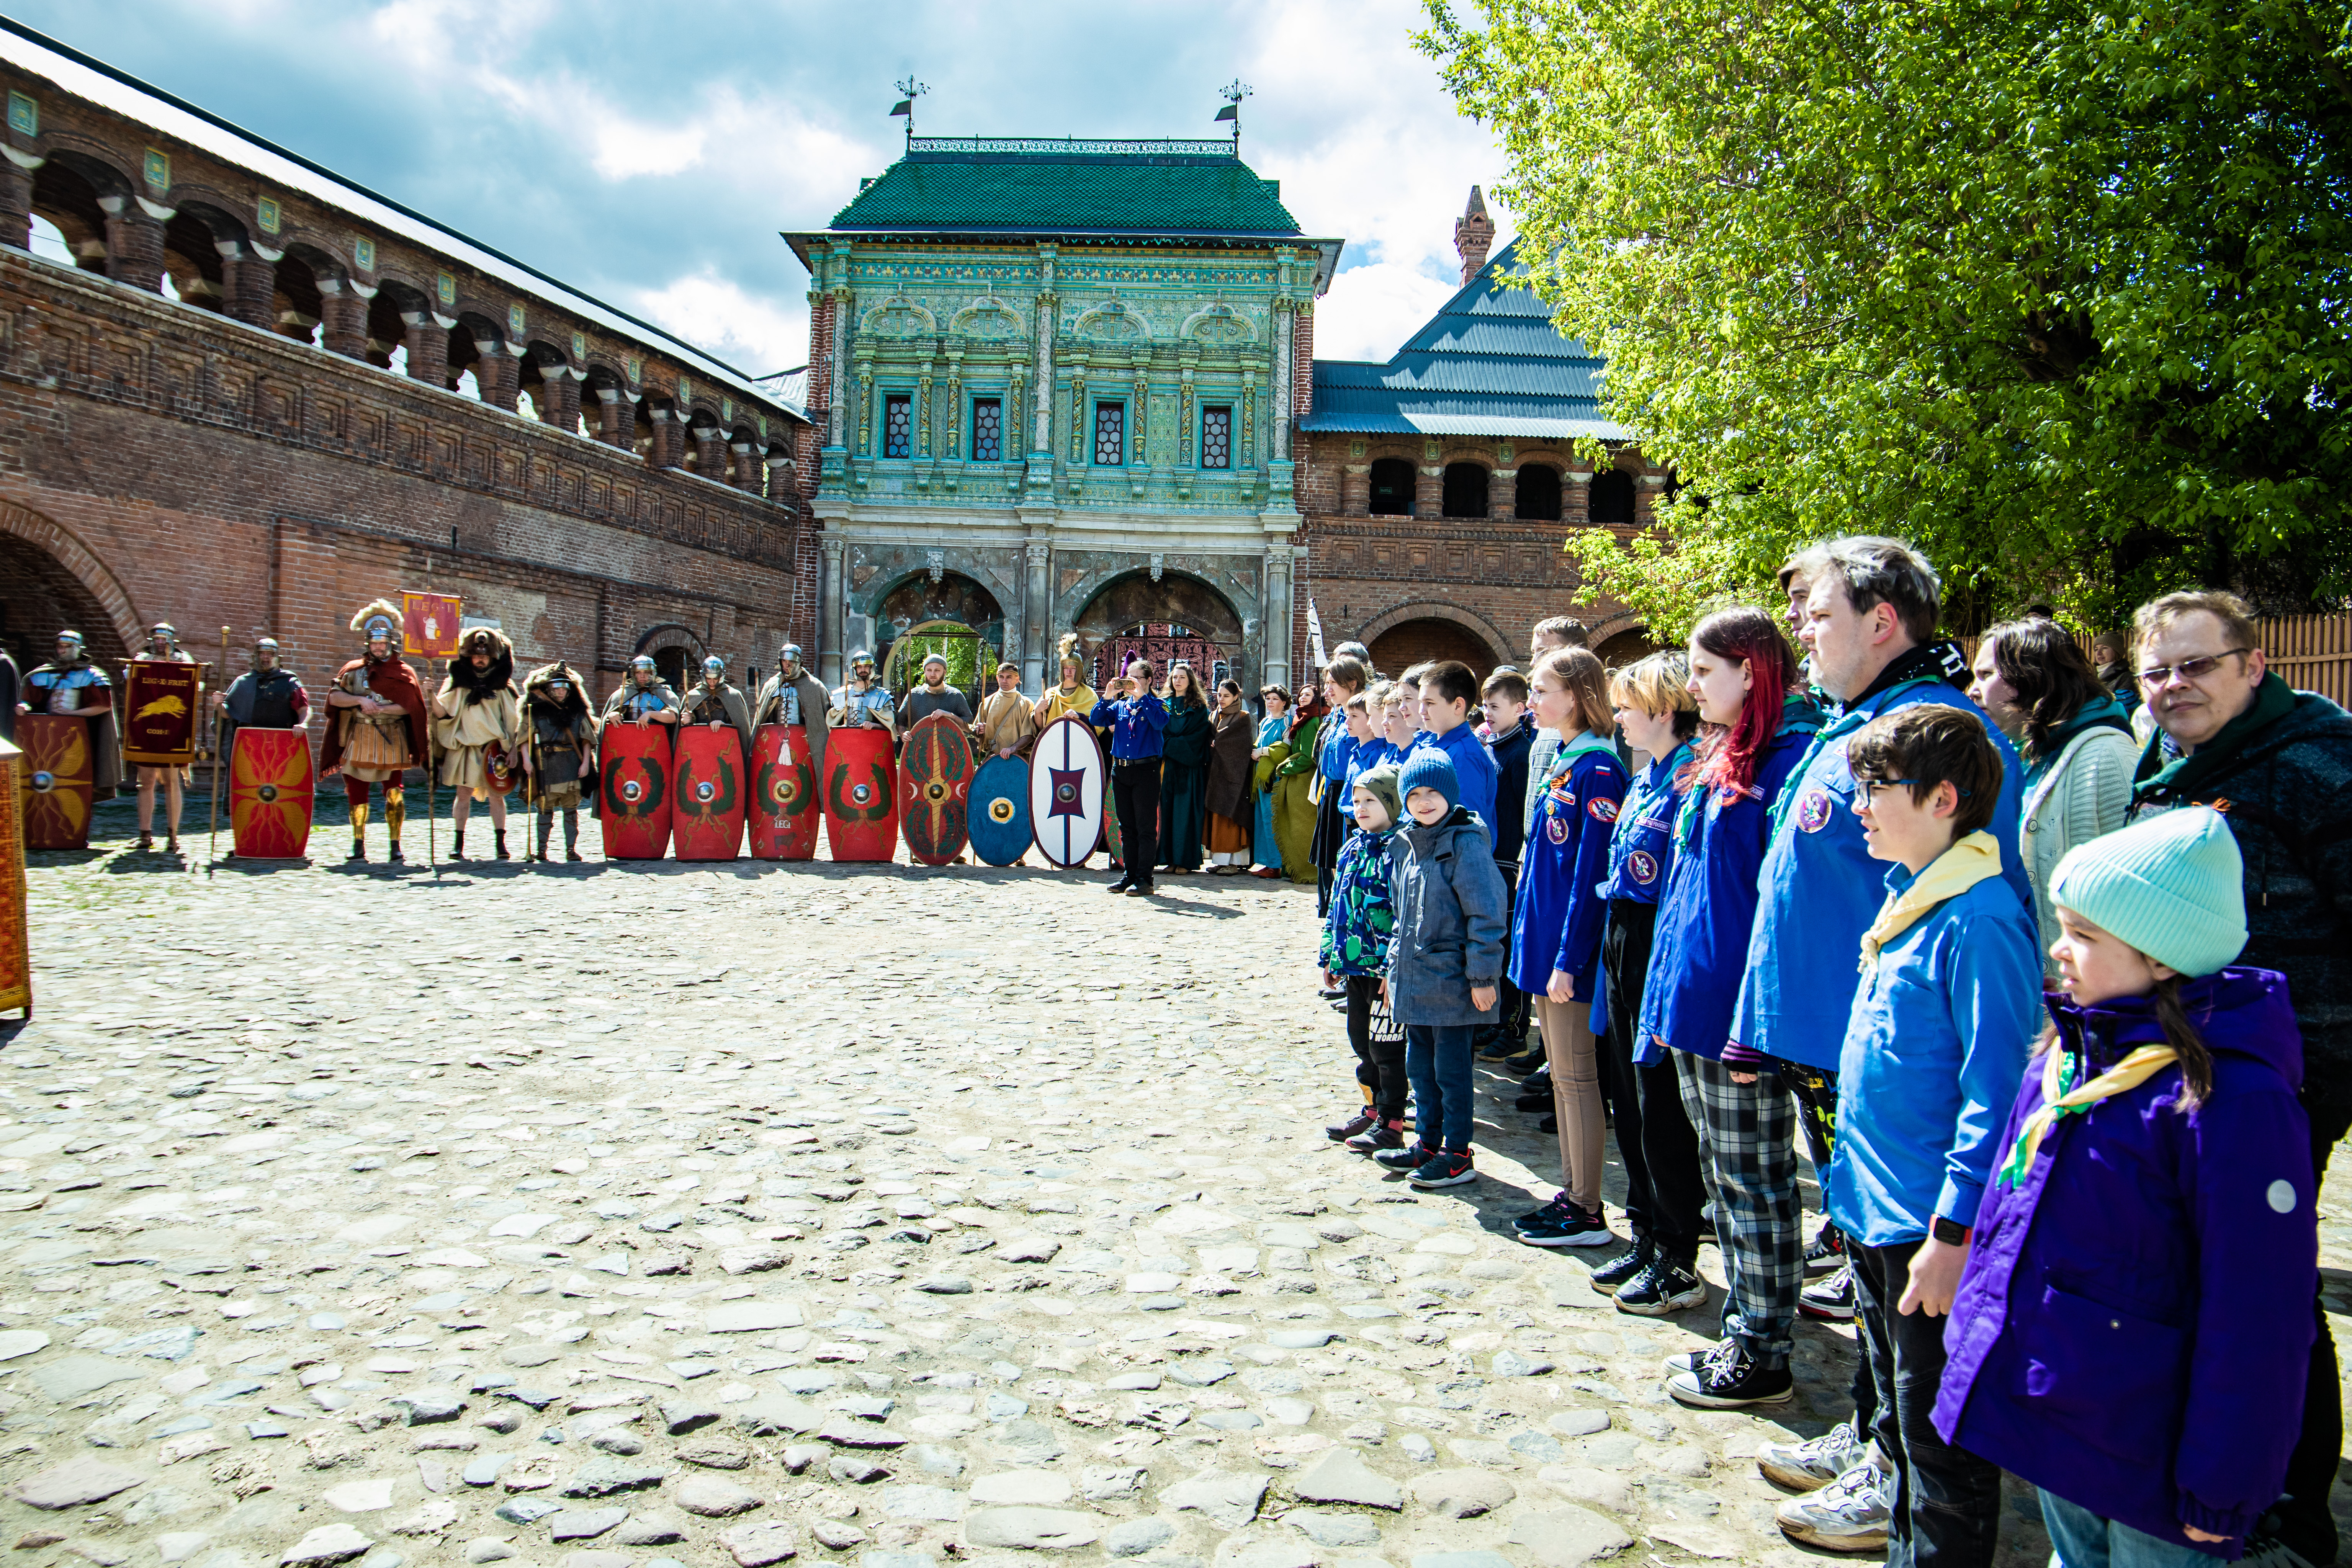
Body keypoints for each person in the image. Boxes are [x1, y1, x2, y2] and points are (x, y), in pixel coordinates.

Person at [1937, 808, 2317, 1568]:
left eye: (2083, 934)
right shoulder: (2074, 1051)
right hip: (2065, 1412)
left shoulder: (2233, 1103)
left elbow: (2258, 1315)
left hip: (2155, 1453)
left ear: (2163, 956)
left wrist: (2222, 1483)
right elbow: (2011, 1208)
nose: (2056, 947)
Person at [1709, 537, 2027, 1416]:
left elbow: (1964, 903)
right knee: (1857, 1258)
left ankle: (1898, 1463)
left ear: (1880, 622)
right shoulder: (1854, 723)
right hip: (1828, 1045)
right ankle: (1871, 1440)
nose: (1801, 637)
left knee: (1892, 1268)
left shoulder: (1930, 735)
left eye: (1818, 619)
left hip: (1894, 1066)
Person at [2124, 589, 2352, 1568]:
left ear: (2252, 667)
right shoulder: (2163, 763)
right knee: (2201, 1276)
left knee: (2266, 1289)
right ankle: (2217, 1469)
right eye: (2156, 670)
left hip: (2294, 1072)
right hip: (2186, 1067)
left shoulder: (2319, 763)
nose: (2173, 685)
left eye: (2196, 665)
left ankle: (2292, 1513)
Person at [1793, 705, 2037, 1566]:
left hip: (1927, 1228)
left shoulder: (1976, 919)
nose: (1856, 805)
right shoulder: (1910, 898)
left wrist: (1954, 1230)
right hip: (1874, 1209)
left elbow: (1997, 1097)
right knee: (1898, 1422)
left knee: (1940, 1445)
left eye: (1874, 788)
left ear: (1941, 799)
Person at [1633, 607, 1819, 1405]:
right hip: (1690, 997)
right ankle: (1747, 1323)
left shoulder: (1788, 762)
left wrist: (1751, 1018)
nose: (1692, 684)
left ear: (1751, 671)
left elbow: (1778, 910)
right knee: (1724, 1175)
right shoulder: (1719, 757)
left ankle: (1761, 1346)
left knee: (1754, 1179)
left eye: (1705, 670)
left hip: (1735, 1013)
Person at [1583, 653, 1708, 1315]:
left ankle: (1677, 1250)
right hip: (1621, 930)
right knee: (1625, 1095)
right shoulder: (1645, 777)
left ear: (1662, 709)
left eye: (1627, 707)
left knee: (1659, 1101)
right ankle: (1643, 1230)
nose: (1619, 719)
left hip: (1657, 933)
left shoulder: (1690, 778)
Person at [1507, 647, 1627, 1248]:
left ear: (1577, 695)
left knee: (1578, 1079)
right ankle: (1573, 1190)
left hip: (1568, 954)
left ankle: (1585, 1207)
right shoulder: (1565, 760)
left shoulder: (1597, 769)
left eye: (1541, 689)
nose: (1532, 699)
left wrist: (1566, 958)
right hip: (1546, 943)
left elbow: (1588, 876)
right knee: (1563, 1080)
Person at [1372, 750, 1510, 1189]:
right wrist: (1393, 972)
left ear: (1449, 794)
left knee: (1451, 1074)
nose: (1424, 802)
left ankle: (1457, 1152)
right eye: (1414, 794)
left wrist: (1483, 977)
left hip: (1454, 984)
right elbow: (1400, 916)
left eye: (1433, 792)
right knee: (1421, 1070)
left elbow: (1486, 916)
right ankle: (1427, 1144)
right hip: (1415, 982)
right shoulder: (1407, 843)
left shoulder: (1466, 844)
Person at [1968, 618, 2135, 967]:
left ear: (2031, 676)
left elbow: (2140, 901)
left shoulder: (2109, 757)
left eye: (1985, 675)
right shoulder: (2017, 756)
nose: (1971, 689)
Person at [1321, 760, 1405, 1149]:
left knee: (1386, 1046)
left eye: (1371, 800)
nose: (1361, 807)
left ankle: (1393, 1120)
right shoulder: (1352, 847)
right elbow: (1338, 905)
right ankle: (1371, 1108)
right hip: (1354, 963)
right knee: (1360, 1040)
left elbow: (1407, 912)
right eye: (1356, 800)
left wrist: (1395, 964)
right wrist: (1329, 956)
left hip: (1385, 969)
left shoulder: (1401, 850)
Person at [322, 600, 430, 864]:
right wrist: (360, 701)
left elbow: (411, 707)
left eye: (382, 644)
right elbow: (334, 697)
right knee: (357, 792)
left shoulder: (404, 672)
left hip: (392, 737)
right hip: (359, 736)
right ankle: (358, 843)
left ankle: (395, 844)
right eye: (374, 644)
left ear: (390, 644)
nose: (378, 648)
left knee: (394, 793)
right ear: (368, 644)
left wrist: (382, 709)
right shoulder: (354, 670)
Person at [1480, 669, 1536, 1064]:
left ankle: (1513, 1026)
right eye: (1485, 705)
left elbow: (1522, 810)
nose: (1487, 713)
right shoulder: (1493, 746)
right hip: (1491, 858)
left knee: (1507, 949)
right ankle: (1494, 1020)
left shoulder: (1521, 752)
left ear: (1519, 708)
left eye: (1495, 707)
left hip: (1509, 862)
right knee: (1494, 948)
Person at [433, 626, 524, 862]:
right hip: (466, 749)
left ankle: (501, 844)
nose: (480, 659)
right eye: (476, 655)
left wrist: (513, 748)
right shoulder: (458, 685)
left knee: (497, 796)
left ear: (492, 657)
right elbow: (444, 714)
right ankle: (458, 844)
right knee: (462, 795)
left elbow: (514, 721)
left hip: (495, 749)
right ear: (469, 657)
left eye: (484, 656)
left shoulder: (504, 688)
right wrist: (428, 695)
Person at [1091, 659, 1168, 898]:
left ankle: (1145, 879)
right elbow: (1097, 719)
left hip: (1146, 770)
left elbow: (1160, 722)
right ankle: (1130, 875)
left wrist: (1142, 697)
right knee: (1126, 828)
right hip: (1121, 770)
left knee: (1145, 827)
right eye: (1127, 678)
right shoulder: (1121, 706)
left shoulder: (1158, 704)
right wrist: (1107, 696)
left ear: (1148, 681)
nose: (1130, 683)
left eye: (1135, 678)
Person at [22, 629, 123, 799]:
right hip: (45, 736)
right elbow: (30, 701)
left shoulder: (93, 676)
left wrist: (73, 713)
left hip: (78, 738)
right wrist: (23, 707)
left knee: (73, 784)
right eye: (60, 647)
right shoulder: (42, 674)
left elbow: (103, 706)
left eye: (67, 647)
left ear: (78, 648)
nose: (62, 650)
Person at [520, 661, 597, 863]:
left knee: (571, 811)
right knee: (545, 809)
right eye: (557, 687)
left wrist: (586, 764)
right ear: (549, 688)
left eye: (565, 687)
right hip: (546, 764)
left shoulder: (577, 711)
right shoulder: (535, 711)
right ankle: (541, 851)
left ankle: (571, 850)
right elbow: (523, 738)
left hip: (572, 763)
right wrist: (527, 762)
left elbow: (587, 739)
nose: (561, 691)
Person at [1414, 661, 1501, 836]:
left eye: (1430, 703)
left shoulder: (1465, 756)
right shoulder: (1437, 746)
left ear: (1458, 706)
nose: (1422, 711)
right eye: (1421, 702)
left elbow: (1469, 827)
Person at [1312, 656, 1372, 912]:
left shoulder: (1363, 714)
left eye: (1333, 684)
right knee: (1328, 862)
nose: (1327, 690)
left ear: (1352, 683)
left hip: (1348, 792)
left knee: (1342, 860)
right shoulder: (1337, 714)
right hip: (1330, 790)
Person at [129, 623, 193, 853]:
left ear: (172, 640)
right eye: (156, 638)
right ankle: (145, 834)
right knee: (145, 783)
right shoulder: (142, 657)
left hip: (174, 730)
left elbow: (192, 682)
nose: (160, 642)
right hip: (148, 729)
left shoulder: (184, 659)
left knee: (171, 782)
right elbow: (131, 678)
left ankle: (173, 835)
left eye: (164, 638)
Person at [1521, 617, 1588, 833]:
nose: (1533, 662)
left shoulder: (1598, 722)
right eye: (1533, 653)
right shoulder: (1547, 717)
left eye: (1542, 652)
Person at [1156, 662, 1213, 874]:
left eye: (1182, 677)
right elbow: (1159, 730)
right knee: (1168, 812)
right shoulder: (1163, 704)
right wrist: (1169, 743)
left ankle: (1186, 861)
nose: (1177, 681)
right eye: (1175, 677)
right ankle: (1170, 859)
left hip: (1190, 769)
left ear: (1190, 682)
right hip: (1168, 768)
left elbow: (1198, 737)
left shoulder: (1199, 708)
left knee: (1187, 813)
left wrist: (1170, 744)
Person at [210, 636, 310, 758]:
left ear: (277, 657)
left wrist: (302, 724)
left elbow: (303, 708)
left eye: (270, 654)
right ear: (256, 656)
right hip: (249, 743)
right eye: (262, 653)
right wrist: (218, 705)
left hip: (281, 742)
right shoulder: (244, 682)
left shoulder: (289, 681)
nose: (266, 657)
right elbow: (228, 714)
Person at [1270, 682, 1327, 884]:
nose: (1303, 698)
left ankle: (1305, 870)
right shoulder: (1302, 718)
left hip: (1304, 779)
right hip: (1299, 778)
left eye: (1308, 695)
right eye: (1302, 695)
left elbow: (1309, 756)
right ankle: (1292, 869)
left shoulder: (1312, 721)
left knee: (1301, 827)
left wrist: (1284, 768)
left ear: (1316, 698)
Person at [752, 642, 831, 786]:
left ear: (799, 663)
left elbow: (821, 722)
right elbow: (763, 717)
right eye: (784, 661)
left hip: (804, 741)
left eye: (791, 662)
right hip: (775, 740)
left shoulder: (814, 686)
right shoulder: (772, 684)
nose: (786, 666)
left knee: (802, 778)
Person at [1204, 678, 1256, 873]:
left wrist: (1220, 743)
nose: (1222, 699)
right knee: (1217, 818)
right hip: (1216, 774)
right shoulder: (1213, 716)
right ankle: (1221, 861)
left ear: (1236, 697)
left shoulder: (1243, 717)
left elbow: (1241, 744)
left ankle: (1235, 862)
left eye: (1227, 696)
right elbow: (1209, 737)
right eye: (1219, 695)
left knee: (1232, 818)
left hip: (1235, 776)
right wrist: (1211, 741)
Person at [1250, 685, 1290, 879]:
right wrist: (1255, 750)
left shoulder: (1287, 722)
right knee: (1263, 819)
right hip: (1261, 777)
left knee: (1273, 818)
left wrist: (1263, 752)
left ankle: (1277, 865)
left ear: (1284, 702)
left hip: (1275, 776)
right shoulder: (1265, 722)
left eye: (1275, 699)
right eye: (1268, 699)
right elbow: (1260, 742)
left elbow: (1284, 748)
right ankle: (1267, 862)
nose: (1270, 702)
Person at [677, 656, 754, 753]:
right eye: (709, 678)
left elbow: (742, 727)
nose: (712, 682)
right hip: (697, 748)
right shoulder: (692, 696)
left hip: (726, 747)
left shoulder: (733, 696)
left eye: (716, 679)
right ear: (704, 677)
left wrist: (725, 726)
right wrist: (686, 721)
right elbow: (681, 732)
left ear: (721, 677)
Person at [972, 661, 1037, 764]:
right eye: (1001, 677)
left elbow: (1029, 735)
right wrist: (979, 731)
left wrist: (1012, 749)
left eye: (1009, 677)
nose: (1004, 680)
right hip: (992, 759)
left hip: (1018, 760)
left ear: (1017, 679)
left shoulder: (1026, 704)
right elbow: (977, 735)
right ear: (997, 678)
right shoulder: (986, 703)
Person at [1032, 634, 1098, 729]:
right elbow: (1042, 729)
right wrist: (1038, 712)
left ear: (1079, 670)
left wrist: (1080, 717)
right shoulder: (1050, 694)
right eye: (1066, 668)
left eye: (1073, 668)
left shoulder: (1090, 695)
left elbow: (1098, 727)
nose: (1069, 672)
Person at [900, 652, 973, 730]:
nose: (933, 674)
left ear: (945, 672)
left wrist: (951, 716)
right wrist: (904, 735)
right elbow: (900, 723)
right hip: (919, 742)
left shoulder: (956, 695)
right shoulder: (914, 695)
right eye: (929, 670)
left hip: (947, 742)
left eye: (937, 670)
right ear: (925, 672)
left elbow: (970, 727)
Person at [604, 654, 680, 726]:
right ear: (634, 674)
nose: (642, 676)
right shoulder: (622, 694)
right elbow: (610, 716)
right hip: (627, 736)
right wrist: (611, 715)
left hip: (655, 737)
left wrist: (650, 714)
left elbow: (673, 717)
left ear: (653, 674)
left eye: (647, 672)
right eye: (638, 672)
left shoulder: (666, 694)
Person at [831, 649, 895, 734]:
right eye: (859, 667)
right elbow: (830, 727)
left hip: (871, 743)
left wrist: (874, 725)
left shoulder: (883, 696)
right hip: (846, 743)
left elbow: (891, 727)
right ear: (855, 669)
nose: (863, 670)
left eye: (866, 666)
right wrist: (841, 728)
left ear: (872, 668)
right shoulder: (841, 695)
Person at [2089, 630, 2140, 717]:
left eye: (2104, 648)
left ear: (2117, 652)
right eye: (2096, 649)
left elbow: (2123, 708)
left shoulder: (2126, 677)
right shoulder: (2090, 675)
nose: (2099, 653)